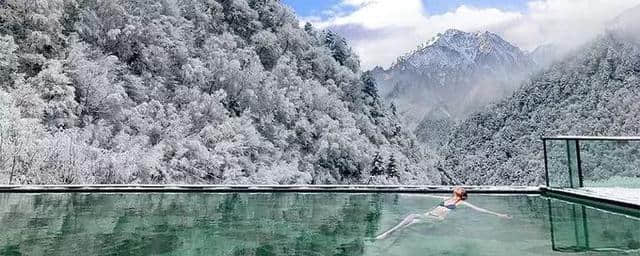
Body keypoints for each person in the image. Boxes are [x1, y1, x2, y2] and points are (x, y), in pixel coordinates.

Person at [375, 187, 511, 240]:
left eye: (459, 189)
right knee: (407, 225)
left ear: (460, 194)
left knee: (411, 216)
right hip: (429, 216)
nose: (456, 188)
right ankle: (390, 238)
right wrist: (407, 194)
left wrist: (499, 215)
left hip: (437, 219)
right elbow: (428, 197)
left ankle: (387, 233)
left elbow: (480, 210)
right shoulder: (446, 198)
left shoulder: (460, 203)